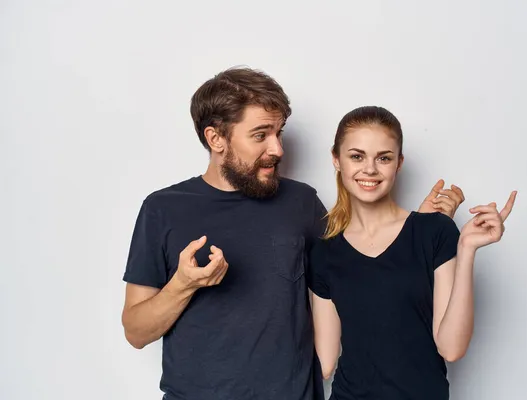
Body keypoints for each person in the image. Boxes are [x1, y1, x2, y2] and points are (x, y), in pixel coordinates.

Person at [120, 67, 464, 400]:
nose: (278, 149)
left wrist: (420, 227)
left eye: (279, 133)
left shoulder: (301, 202)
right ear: (216, 138)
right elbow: (136, 332)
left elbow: (362, 258)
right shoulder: (163, 209)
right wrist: (183, 285)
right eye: (261, 135)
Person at [308, 106, 517, 400]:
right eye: (357, 156)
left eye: (384, 158)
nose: (370, 169)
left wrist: (466, 248)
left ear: (399, 163)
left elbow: (451, 348)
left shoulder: (435, 232)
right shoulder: (324, 251)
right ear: (336, 159)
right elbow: (325, 363)